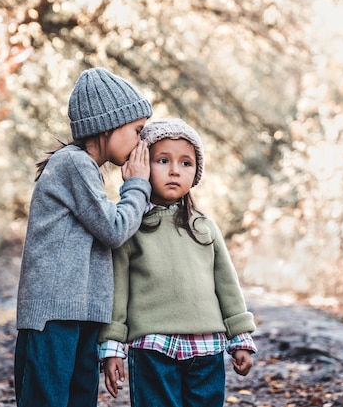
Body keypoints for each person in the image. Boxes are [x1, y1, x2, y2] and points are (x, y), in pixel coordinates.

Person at [14, 67, 154, 407]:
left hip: (80, 314)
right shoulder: (72, 164)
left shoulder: (85, 170)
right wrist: (138, 184)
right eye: (137, 130)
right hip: (54, 318)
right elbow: (115, 229)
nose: (142, 141)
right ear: (108, 125)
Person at [98, 118, 257, 407]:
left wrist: (240, 339)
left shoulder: (204, 227)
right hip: (152, 348)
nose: (175, 170)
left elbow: (227, 286)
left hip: (206, 349)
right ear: (142, 164)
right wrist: (112, 347)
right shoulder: (131, 227)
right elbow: (117, 292)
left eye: (186, 163)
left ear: (196, 173)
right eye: (163, 160)